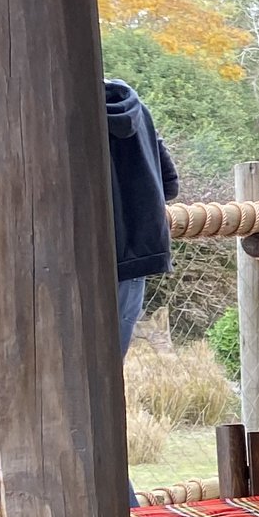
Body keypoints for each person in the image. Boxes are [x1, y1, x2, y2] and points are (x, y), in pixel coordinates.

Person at [106, 78, 179, 354]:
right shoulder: (136, 108)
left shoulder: (59, 108)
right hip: (136, 255)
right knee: (110, 368)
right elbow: (169, 184)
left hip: (74, 260)